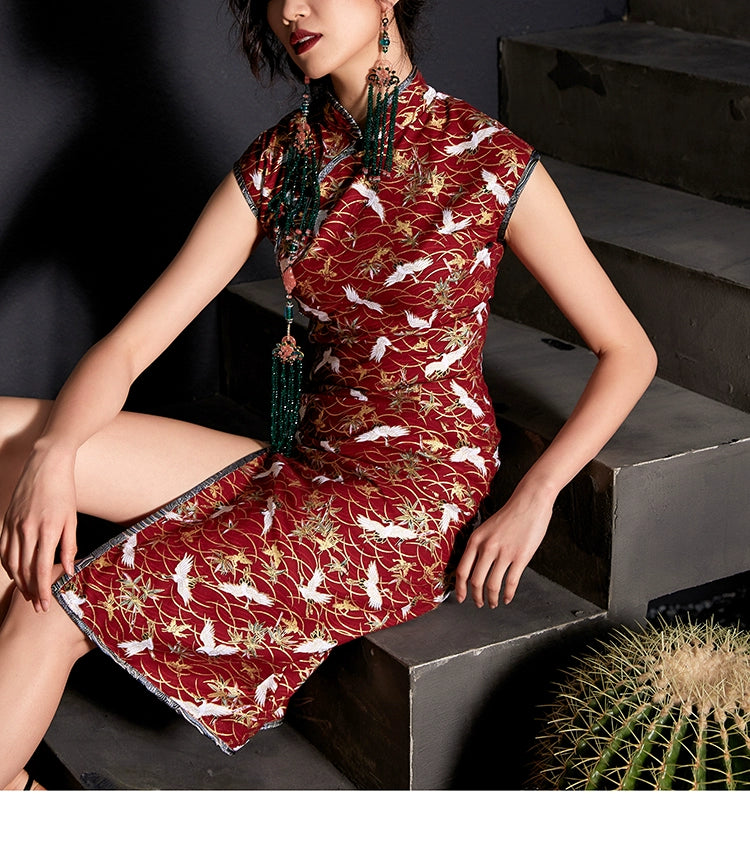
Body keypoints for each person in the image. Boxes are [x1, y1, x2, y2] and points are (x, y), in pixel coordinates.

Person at [0, 0, 657, 790]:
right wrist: (54, 455)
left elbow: (629, 350)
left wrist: (537, 491)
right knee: (9, 443)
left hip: (405, 500)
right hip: (306, 458)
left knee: (50, 609)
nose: (289, 11)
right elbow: (132, 344)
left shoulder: (483, 156)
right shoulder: (284, 161)